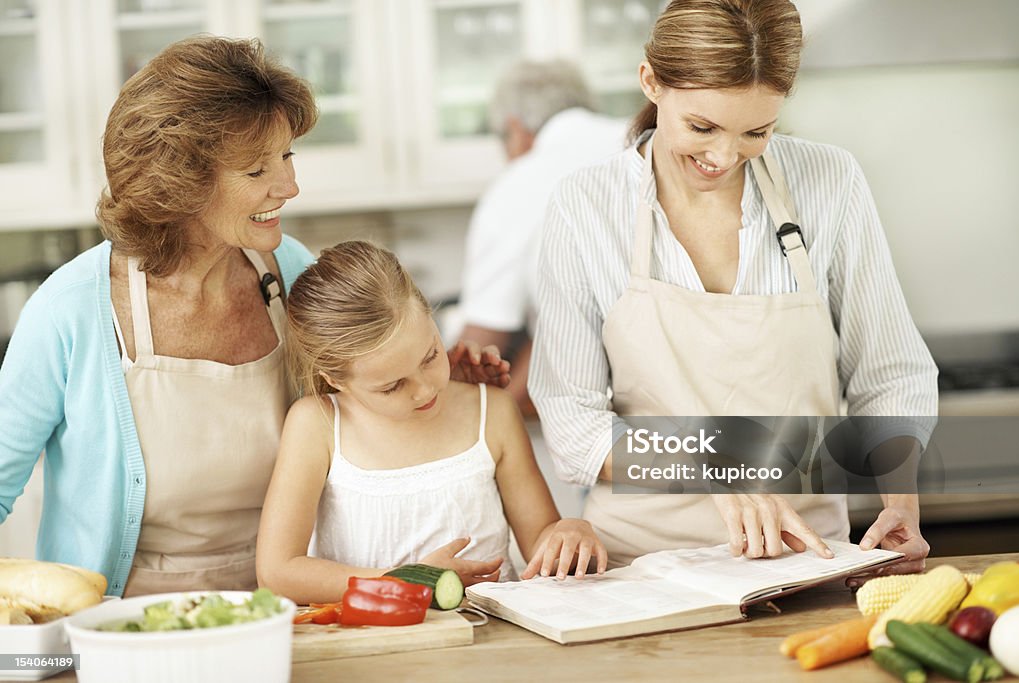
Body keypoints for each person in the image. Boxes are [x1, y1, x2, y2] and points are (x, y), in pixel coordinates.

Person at [0, 36, 508, 598]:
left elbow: (361, 418)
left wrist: (442, 385)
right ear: (179, 184)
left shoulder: (291, 273)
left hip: (299, 611)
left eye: (287, 156)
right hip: (124, 622)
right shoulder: (70, 310)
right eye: (256, 169)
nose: (290, 186)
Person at [529, 0, 937, 577]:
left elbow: (890, 373)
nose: (723, 156)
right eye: (702, 127)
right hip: (638, 570)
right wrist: (713, 466)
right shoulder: (587, 206)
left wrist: (900, 503)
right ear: (650, 81)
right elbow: (574, 423)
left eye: (756, 131)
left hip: (806, 561)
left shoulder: (830, 181)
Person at [256, 241, 607, 605]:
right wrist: (407, 582)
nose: (424, 391)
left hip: (491, 639)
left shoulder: (492, 411)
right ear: (335, 379)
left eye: (430, 357)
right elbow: (278, 572)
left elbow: (541, 540)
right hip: (371, 645)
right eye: (392, 386)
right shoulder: (318, 425)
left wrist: (568, 532)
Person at [458, 60, 627, 417]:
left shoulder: (520, 181)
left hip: (594, 399)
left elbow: (485, 336)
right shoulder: (648, 136)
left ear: (515, 130)